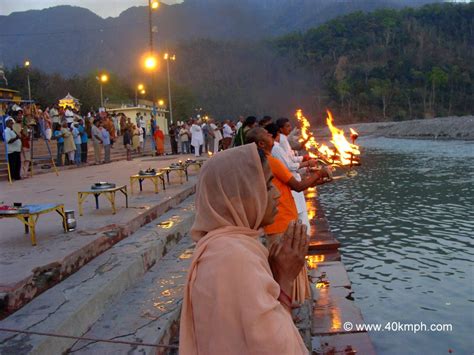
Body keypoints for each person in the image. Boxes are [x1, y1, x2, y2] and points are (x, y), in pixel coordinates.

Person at [179, 144, 309, 355]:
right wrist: (285, 280)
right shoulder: (233, 257)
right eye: (268, 186)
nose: (276, 194)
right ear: (239, 196)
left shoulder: (228, 246)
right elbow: (277, 348)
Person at [246, 127, 330, 304]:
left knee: (281, 266)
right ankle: (288, 307)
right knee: (287, 267)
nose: (271, 135)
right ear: (261, 143)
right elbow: (297, 186)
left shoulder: (261, 162)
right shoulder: (271, 162)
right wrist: (319, 173)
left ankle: (286, 306)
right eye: (267, 135)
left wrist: (316, 179)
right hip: (282, 218)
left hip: (276, 220)